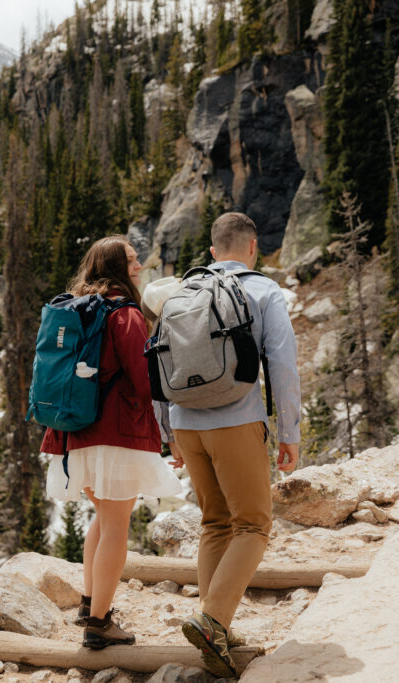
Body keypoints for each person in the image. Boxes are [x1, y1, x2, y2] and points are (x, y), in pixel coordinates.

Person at [159, 212, 300, 678]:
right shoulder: (262, 290)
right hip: (236, 421)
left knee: (215, 522)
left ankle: (214, 625)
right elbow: (281, 365)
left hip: (185, 424)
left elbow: (158, 363)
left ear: (214, 252)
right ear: (253, 248)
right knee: (254, 525)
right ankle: (212, 619)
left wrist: (168, 433)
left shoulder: (183, 291)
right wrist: (289, 432)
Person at [41, 235, 182, 649]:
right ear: (117, 268)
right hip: (116, 435)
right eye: (133, 261)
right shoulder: (124, 313)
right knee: (116, 525)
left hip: (76, 433)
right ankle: (100, 625)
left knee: (102, 518)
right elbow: (143, 381)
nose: (139, 267)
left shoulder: (79, 308)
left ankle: (89, 603)